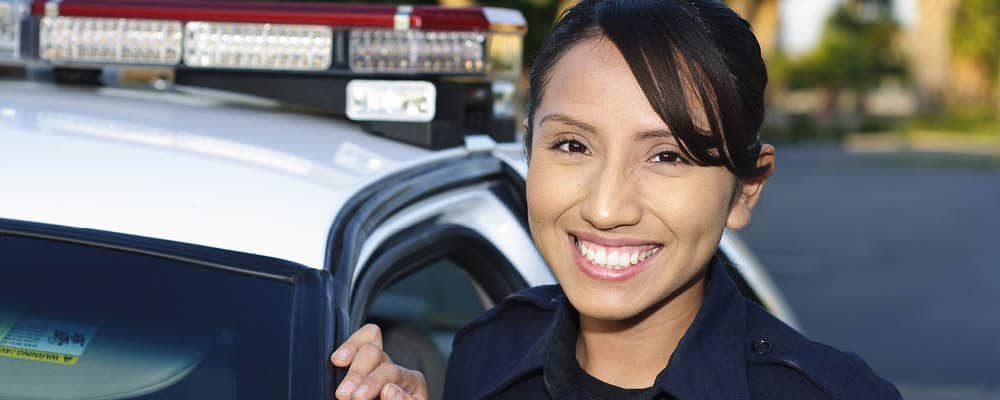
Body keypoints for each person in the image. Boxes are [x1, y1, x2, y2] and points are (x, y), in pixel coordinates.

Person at [330, 0, 902, 399]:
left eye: (668, 156)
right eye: (573, 145)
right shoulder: (487, 352)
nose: (606, 209)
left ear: (745, 189)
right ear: (530, 150)